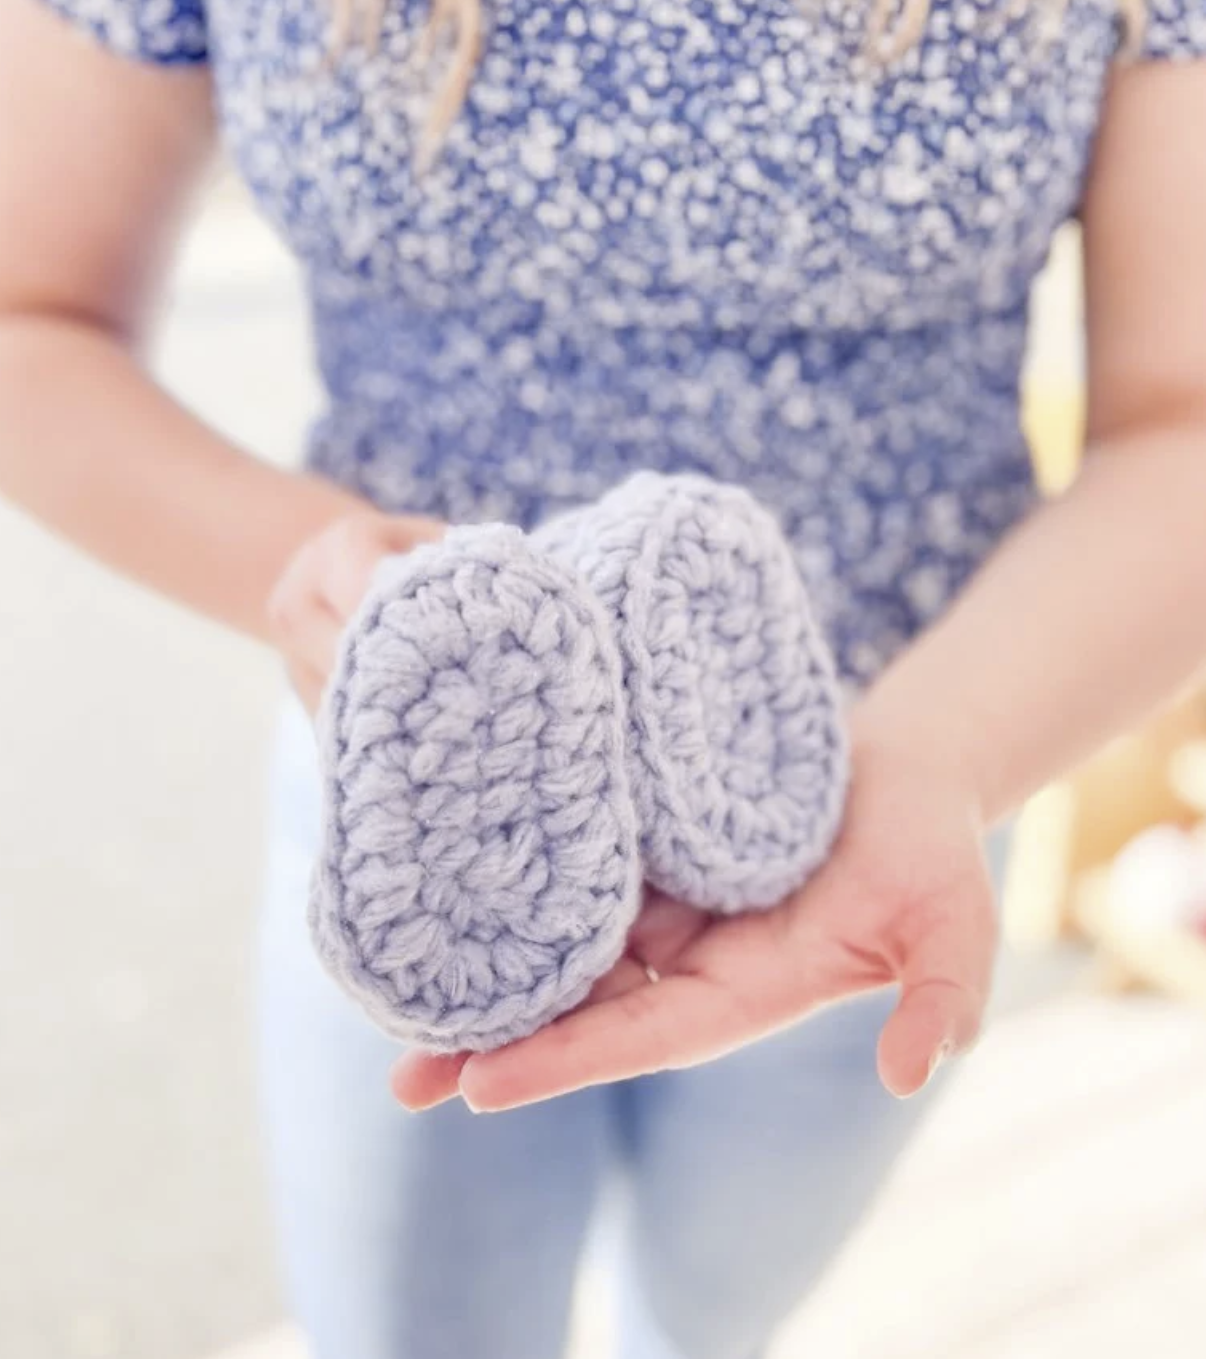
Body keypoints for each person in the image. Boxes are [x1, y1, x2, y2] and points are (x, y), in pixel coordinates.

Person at [0, 0, 1203, 1352]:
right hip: (419, 801)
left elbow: (1183, 420)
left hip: (871, 789)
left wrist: (937, 755)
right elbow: (28, 317)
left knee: (705, 1316)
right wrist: (329, 581)